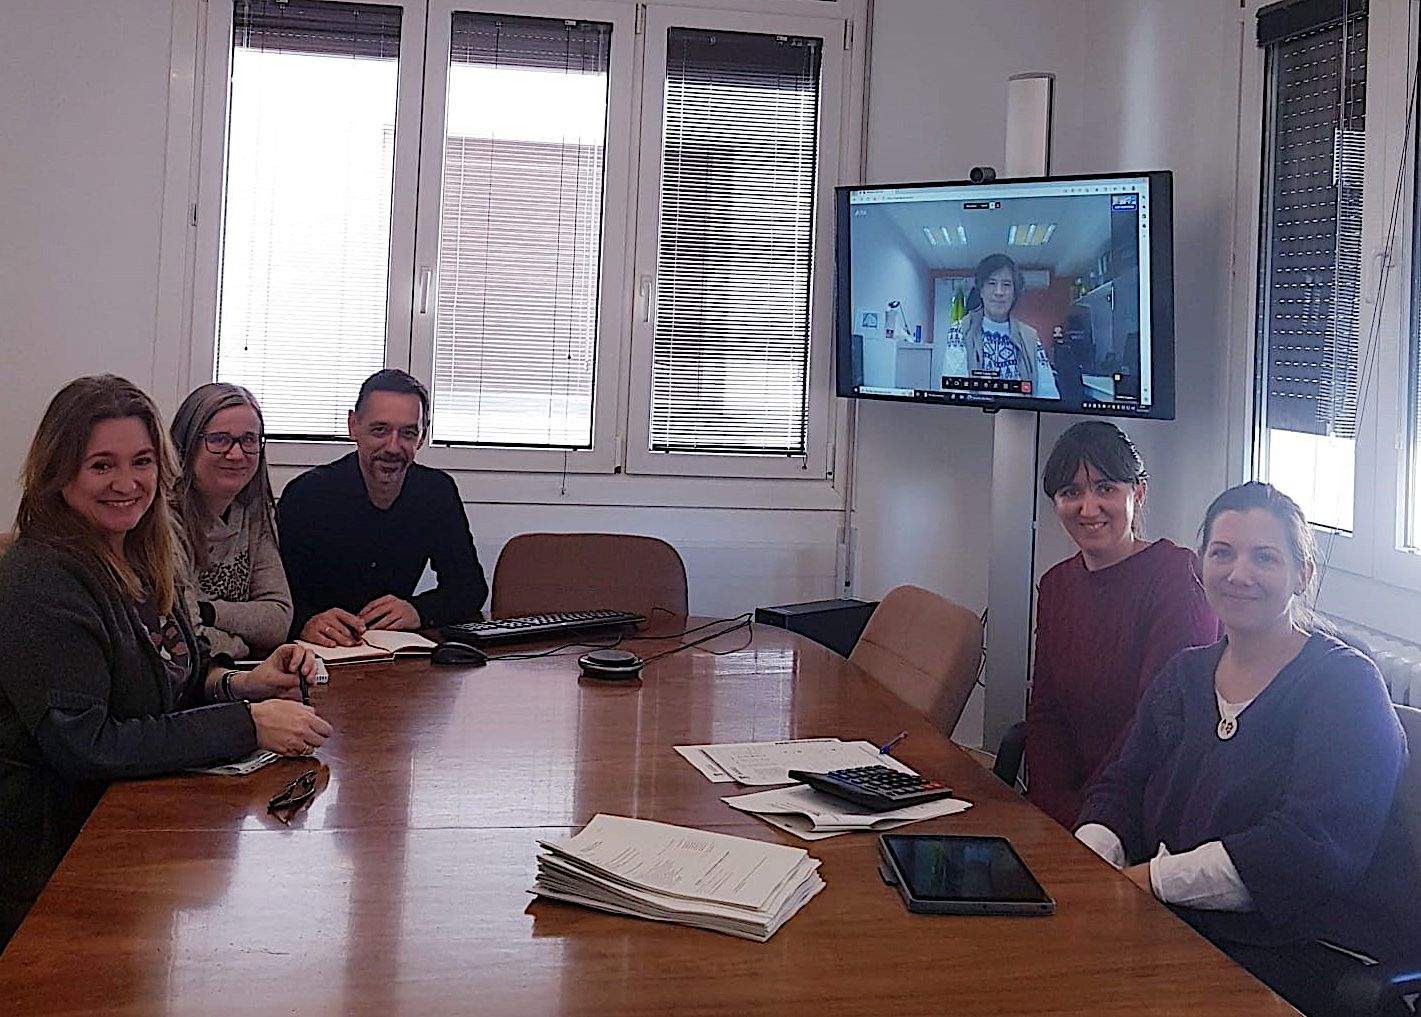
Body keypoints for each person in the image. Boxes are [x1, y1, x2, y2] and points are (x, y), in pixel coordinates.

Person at [0, 376, 332, 944]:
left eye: (142, 461)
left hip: (125, 823)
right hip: (50, 861)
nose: (127, 483)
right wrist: (245, 725)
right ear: (60, 473)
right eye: (101, 465)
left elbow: (170, 677)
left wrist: (245, 683)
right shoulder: (41, 580)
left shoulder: (142, 553)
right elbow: (87, 743)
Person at [1074, 482, 1415, 1016]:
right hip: (1177, 927)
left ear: (1303, 574)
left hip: (1303, 954)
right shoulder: (1186, 674)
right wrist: (1088, 861)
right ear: (1201, 565)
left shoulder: (1347, 687)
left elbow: (1306, 851)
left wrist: (1152, 879)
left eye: (1265, 557)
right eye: (1222, 553)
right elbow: (1123, 782)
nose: (1239, 574)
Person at [1025, 421, 1219, 827]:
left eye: (1106, 488)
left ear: (1139, 493)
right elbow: (1047, 714)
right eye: (1071, 492)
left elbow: (1159, 724)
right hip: (1068, 814)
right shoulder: (1057, 584)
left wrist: (1090, 817)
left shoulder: (1178, 577)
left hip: (1142, 806)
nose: (1088, 508)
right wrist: (1051, 812)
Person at [277, 369, 488, 647]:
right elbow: (272, 597)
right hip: (320, 653)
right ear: (353, 426)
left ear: (422, 437)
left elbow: (470, 588)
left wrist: (418, 611)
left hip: (395, 656)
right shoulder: (306, 495)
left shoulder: (436, 492)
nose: (393, 446)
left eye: (408, 433)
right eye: (380, 430)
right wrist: (305, 621)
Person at [171, 382, 292, 658]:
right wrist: (241, 646)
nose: (236, 454)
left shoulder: (255, 512)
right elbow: (183, 634)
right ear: (187, 444)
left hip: (238, 678)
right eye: (218, 439)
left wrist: (208, 611)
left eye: (249, 440)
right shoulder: (162, 520)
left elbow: (279, 619)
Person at [938, 253, 1061, 398]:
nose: (999, 292)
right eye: (991, 283)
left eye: (1006, 284)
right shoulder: (960, 331)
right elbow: (953, 393)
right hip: (973, 418)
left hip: (1021, 418)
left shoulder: (1031, 338)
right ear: (981, 290)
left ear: (1014, 293)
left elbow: (1048, 396)